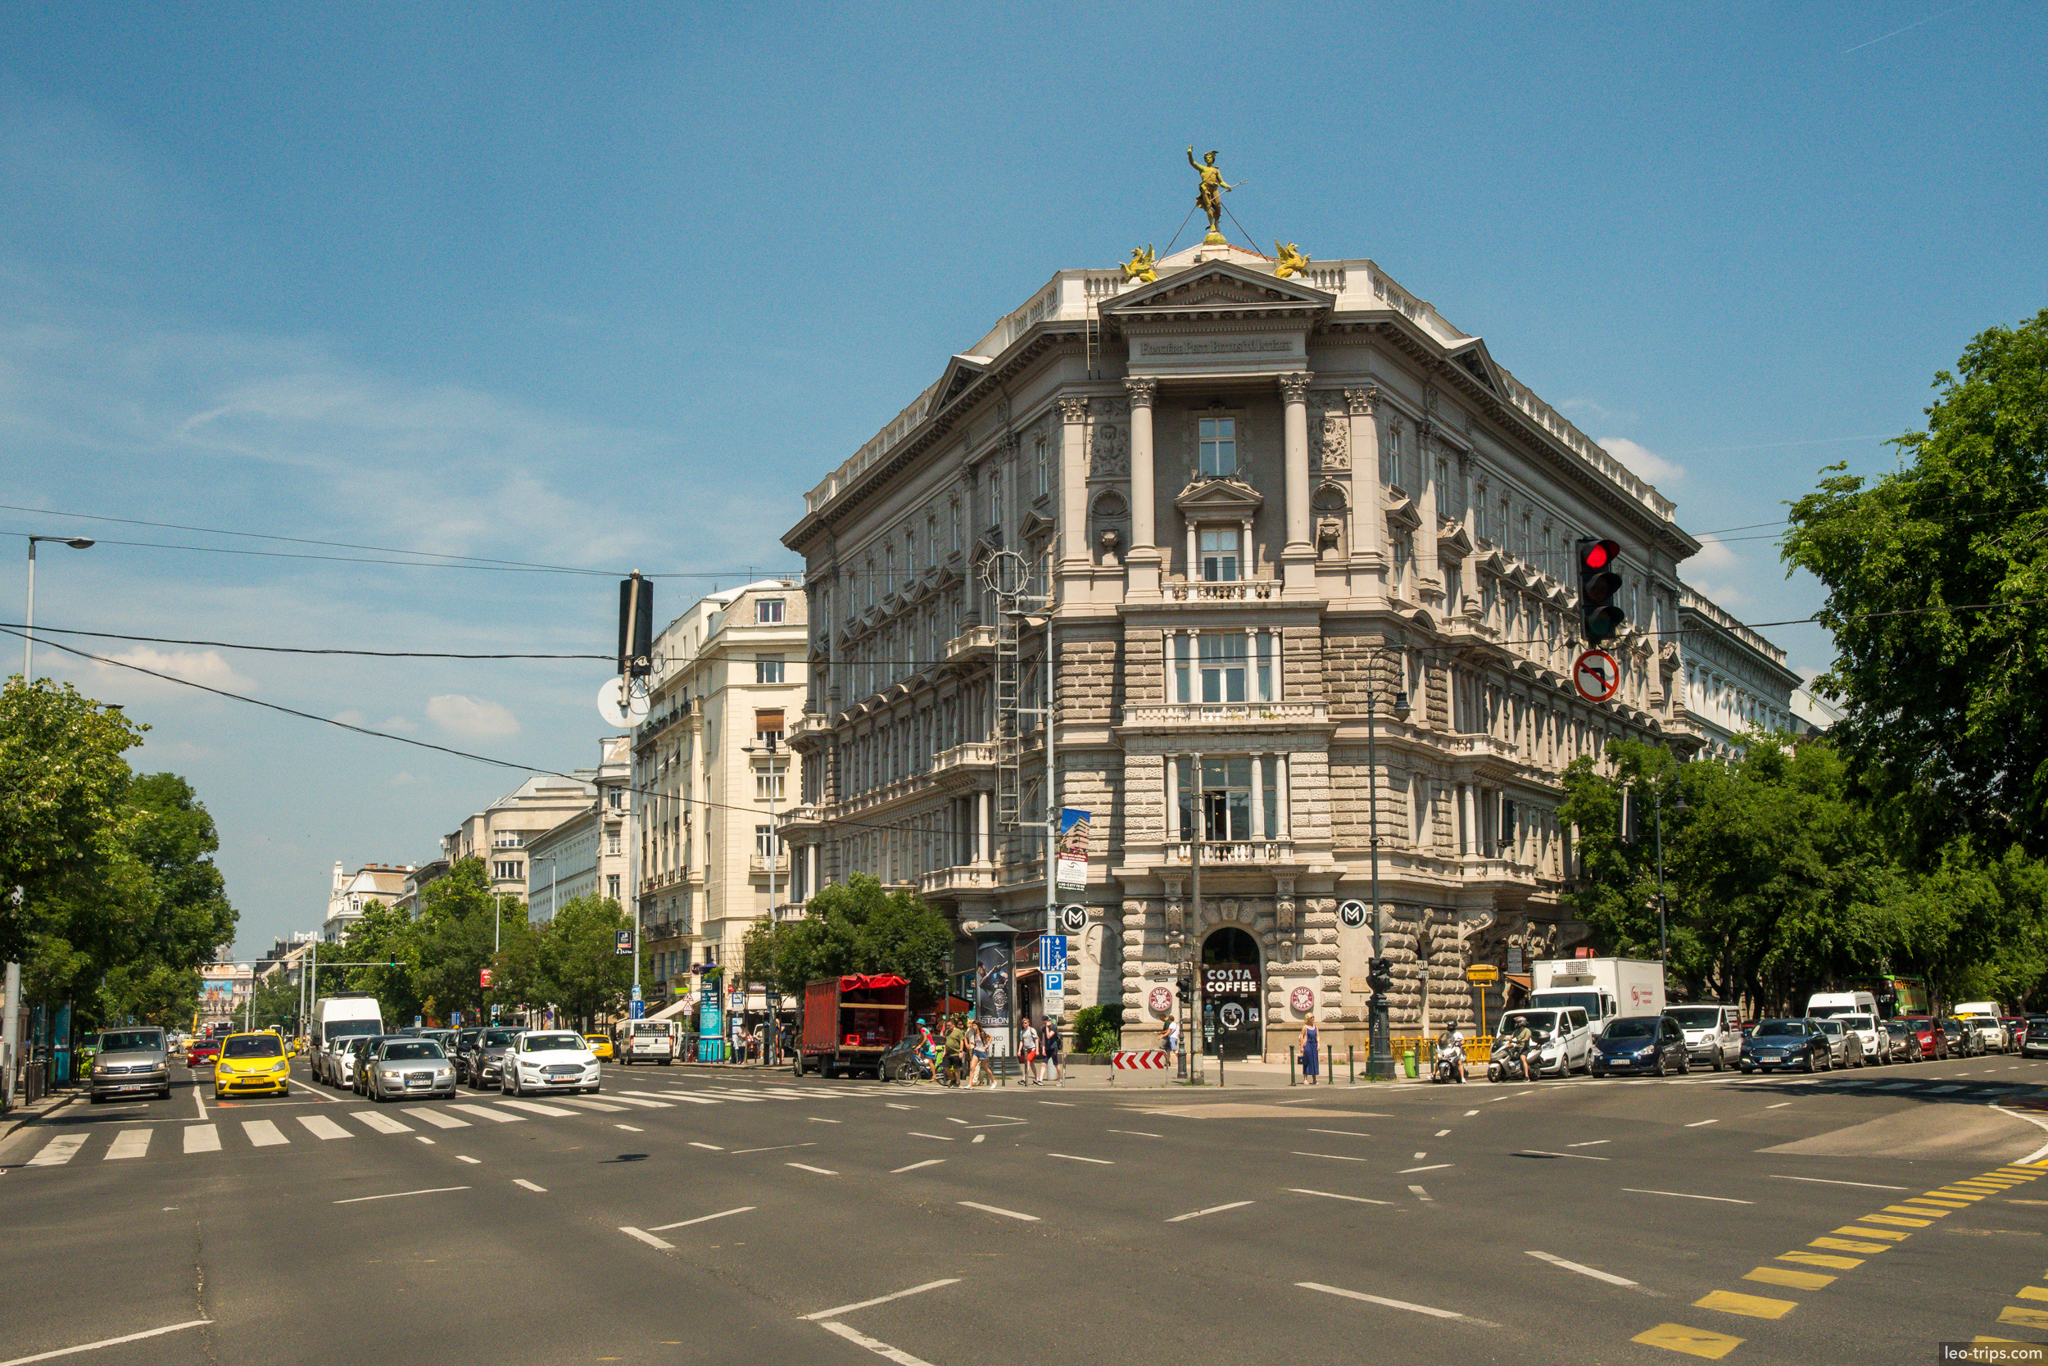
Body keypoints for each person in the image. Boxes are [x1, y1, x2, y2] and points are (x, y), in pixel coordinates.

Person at [941, 1016, 967, 1088]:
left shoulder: (958, 1032)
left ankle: (957, 1082)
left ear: (953, 1025)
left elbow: (961, 1041)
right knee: (945, 1066)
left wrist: (961, 1051)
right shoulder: (947, 1032)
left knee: (956, 1069)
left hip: (956, 1052)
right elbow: (946, 1042)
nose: (948, 1027)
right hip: (948, 1053)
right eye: (947, 1025)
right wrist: (944, 1051)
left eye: (949, 1025)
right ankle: (952, 1079)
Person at [1041, 1014, 1064, 1087]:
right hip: (1047, 1048)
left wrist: (1047, 1027)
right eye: (1043, 1021)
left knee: (1056, 1064)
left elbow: (1049, 1036)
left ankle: (1060, 1079)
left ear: (1048, 1020)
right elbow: (1044, 1039)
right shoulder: (1043, 1028)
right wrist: (1043, 1048)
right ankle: (1040, 1080)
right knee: (1043, 1064)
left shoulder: (1053, 1027)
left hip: (1053, 1048)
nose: (1044, 1022)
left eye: (1045, 1021)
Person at [1019, 1019, 1040, 1086]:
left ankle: (1024, 1079)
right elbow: (1021, 1041)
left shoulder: (1032, 1030)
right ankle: (1037, 1078)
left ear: (1028, 1023)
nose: (1024, 1024)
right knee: (1032, 1064)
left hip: (1032, 1049)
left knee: (1027, 1062)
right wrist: (1019, 1050)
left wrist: (1037, 1050)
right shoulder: (1022, 1032)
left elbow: (1036, 1040)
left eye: (1025, 1023)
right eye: (1023, 1023)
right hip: (1026, 1050)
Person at [1300, 1015, 1320, 1085]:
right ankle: (1305, 1078)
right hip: (1308, 1045)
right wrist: (1302, 1047)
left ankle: (1314, 1079)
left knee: (1314, 1061)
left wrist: (1319, 1044)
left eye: (1313, 1017)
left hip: (1314, 1045)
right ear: (1308, 1019)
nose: (1313, 1018)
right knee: (1307, 1061)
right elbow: (1302, 1036)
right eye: (1311, 1017)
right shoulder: (1305, 1027)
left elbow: (1318, 1035)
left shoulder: (1316, 1027)